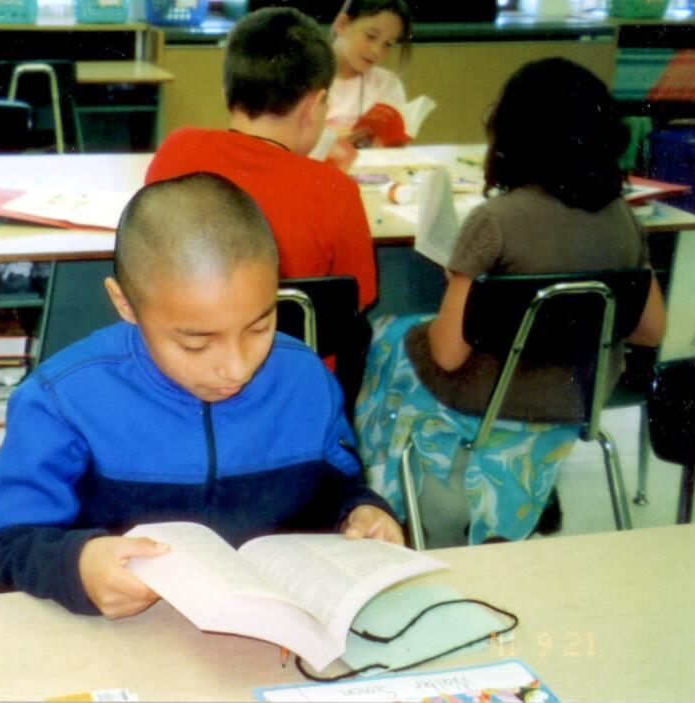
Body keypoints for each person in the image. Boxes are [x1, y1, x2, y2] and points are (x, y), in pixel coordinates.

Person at [0, 173, 403, 618]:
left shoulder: (304, 379)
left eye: (260, 327)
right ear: (125, 304)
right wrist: (77, 565)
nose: (236, 368)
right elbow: (8, 543)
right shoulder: (61, 400)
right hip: (128, 641)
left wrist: (362, 513)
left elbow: (339, 490)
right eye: (197, 344)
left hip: (274, 637)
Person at [354, 58, 666, 545]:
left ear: (513, 132)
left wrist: (461, 289)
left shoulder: (494, 220)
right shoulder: (623, 219)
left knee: (391, 332)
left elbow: (447, 354)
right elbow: (652, 330)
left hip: (489, 397)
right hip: (577, 402)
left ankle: (385, 495)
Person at [144, 8, 377, 311]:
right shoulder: (337, 189)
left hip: (182, 354)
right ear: (314, 105)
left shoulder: (177, 149)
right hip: (294, 357)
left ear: (226, 89)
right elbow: (358, 298)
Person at [327, 0, 413, 141]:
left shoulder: (387, 83)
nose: (376, 50)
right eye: (371, 36)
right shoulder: (305, 75)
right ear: (342, 25)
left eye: (388, 44)